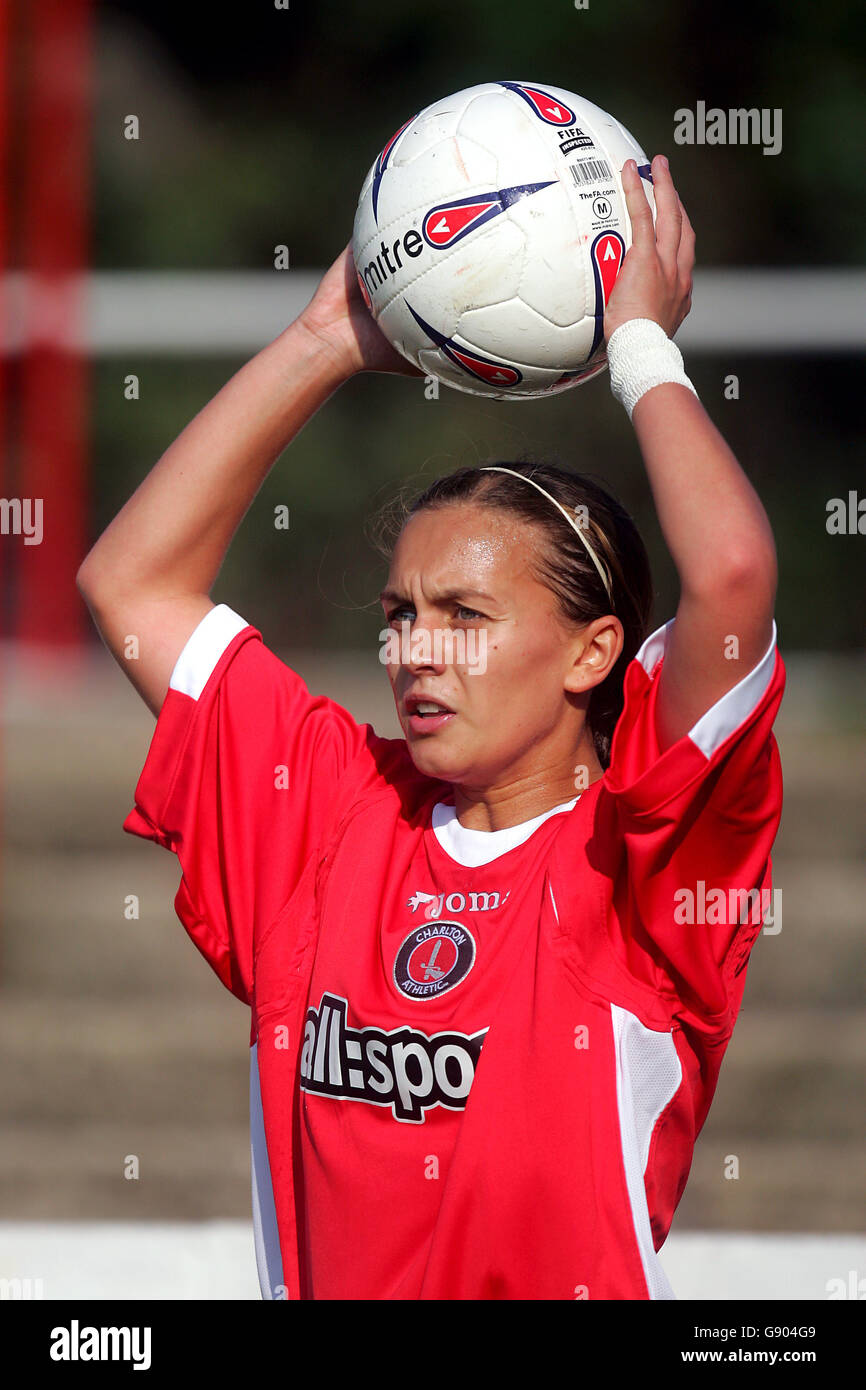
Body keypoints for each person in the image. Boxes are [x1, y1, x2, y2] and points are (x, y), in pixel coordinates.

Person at [76, 155, 784, 1300]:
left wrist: (644, 344)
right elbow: (134, 584)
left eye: (464, 614)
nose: (414, 649)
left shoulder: (642, 858)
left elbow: (734, 574)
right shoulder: (332, 813)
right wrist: (324, 340)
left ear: (593, 652)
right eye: (400, 613)